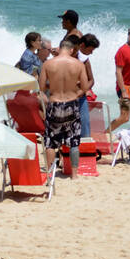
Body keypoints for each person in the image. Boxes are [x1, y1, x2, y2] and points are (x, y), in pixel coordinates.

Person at [38, 38, 89, 176]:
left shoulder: (48, 64)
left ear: (59, 48)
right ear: (72, 50)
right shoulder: (78, 64)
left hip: (54, 102)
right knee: (73, 140)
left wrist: (48, 98)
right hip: (71, 103)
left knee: (50, 140)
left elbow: (41, 88)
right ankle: (74, 174)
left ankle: (49, 173)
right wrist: (75, 94)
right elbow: (85, 87)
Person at [77, 34, 100, 139]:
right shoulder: (69, 57)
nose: (91, 52)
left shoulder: (85, 60)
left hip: (80, 96)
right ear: (82, 45)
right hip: (67, 96)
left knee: (85, 125)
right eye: (91, 50)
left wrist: (84, 89)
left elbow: (92, 80)